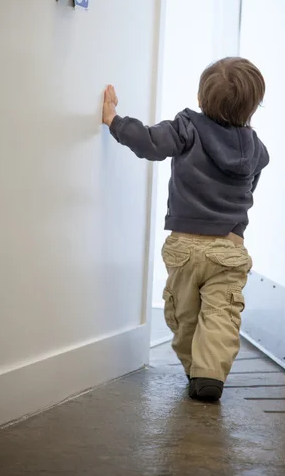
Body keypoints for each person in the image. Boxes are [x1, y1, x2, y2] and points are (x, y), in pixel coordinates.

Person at [102, 57, 269, 402]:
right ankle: (208, 375)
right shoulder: (255, 148)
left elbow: (149, 142)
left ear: (200, 95)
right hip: (229, 247)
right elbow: (248, 191)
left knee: (183, 313)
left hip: (184, 245)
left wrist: (114, 121)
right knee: (221, 312)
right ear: (254, 106)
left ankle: (196, 368)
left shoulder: (187, 127)